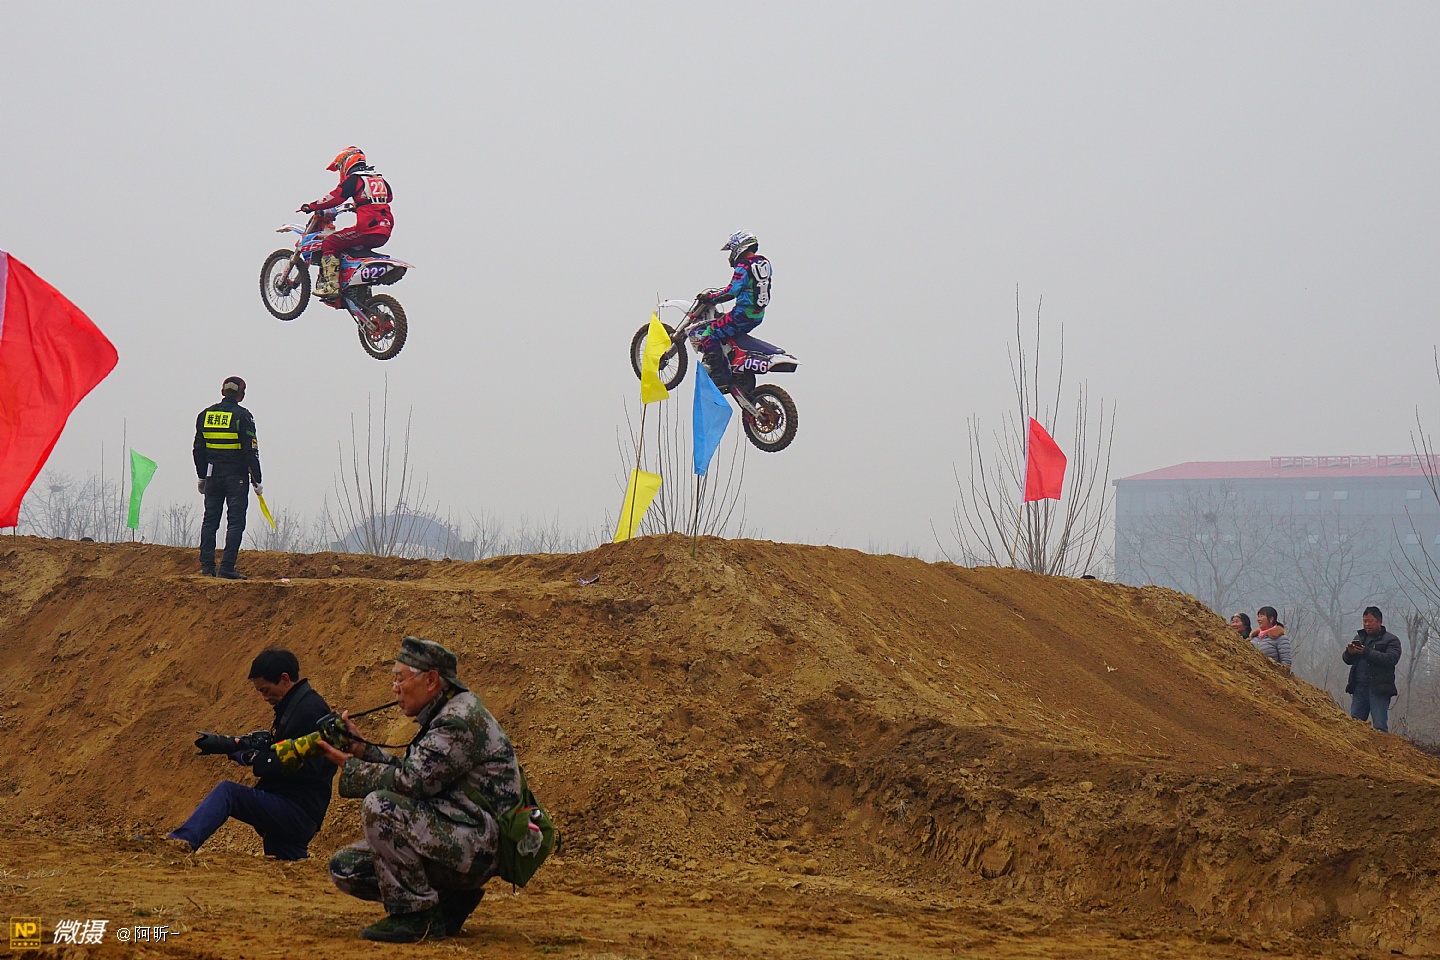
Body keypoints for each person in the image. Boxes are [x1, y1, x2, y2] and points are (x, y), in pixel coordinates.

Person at [321, 636, 523, 943]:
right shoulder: (448, 712)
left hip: (479, 843)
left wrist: (350, 767)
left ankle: (416, 917)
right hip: (463, 835)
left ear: (430, 681)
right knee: (347, 868)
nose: (395, 689)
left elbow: (412, 783)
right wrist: (363, 750)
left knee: (381, 806)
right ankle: (449, 903)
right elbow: (419, 774)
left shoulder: (457, 720)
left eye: (400, 679)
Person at [168, 649, 337, 859]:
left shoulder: (310, 710)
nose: (264, 697)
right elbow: (290, 752)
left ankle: (179, 844)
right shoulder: (296, 706)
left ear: (285, 679)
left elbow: (312, 766)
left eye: (266, 690)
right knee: (287, 871)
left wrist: (259, 758)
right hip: (299, 812)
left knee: (228, 792)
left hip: (297, 810)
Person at [301, 146, 394, 298]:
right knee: (350, 248)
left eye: (339, 166)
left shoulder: (355, 179)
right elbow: (388, 197)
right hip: (385, 228)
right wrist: (359, 205)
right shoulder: (379, 179)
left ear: (346, 161)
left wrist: (312, 206)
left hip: (367, 229)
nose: (340, 170)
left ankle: (331, 286)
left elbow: (336, 197)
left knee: (330, 243)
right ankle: (358, 288)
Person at [194, 376, 261, 579]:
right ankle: (226, 568)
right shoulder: (243, 417)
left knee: (210, 520)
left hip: (212, 476)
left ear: (222, 392)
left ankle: (207, 568)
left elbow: (198, 450)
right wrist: (257, 479)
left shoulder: (205, 415)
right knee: (235, 522)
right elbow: (251, 451)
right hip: (236, 478)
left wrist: (202, 476)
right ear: (242, 394)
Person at [694, 230, 773, 393]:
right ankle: (734, 365)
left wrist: (711, 298)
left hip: (742, 315)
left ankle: (719, 375)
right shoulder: (764, 263)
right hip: (758, 315)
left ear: (739, 246)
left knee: (709, 333)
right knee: (725, 327)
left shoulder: (743, 266)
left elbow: (732, 291)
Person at [1343, 606, 1402, 732]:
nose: (1367, 624)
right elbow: (1347, 660)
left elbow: (1391, 659)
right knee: (1354, 726)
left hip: (1379, 689)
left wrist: (1367, 652)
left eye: (1370, 621)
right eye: (1365, 621)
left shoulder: (1391, 640)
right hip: (1359, 688)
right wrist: (1350, 653)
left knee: (1379, 726)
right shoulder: (1359, 638)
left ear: (1380, 621)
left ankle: (1382, 745)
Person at [1249, 606, 1292, 670]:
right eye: (1258, 616)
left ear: (1271, 619)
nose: (1258, 619)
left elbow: (1286, 663)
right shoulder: (1254, 637)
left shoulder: (1280, 638)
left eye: (1261, 616)